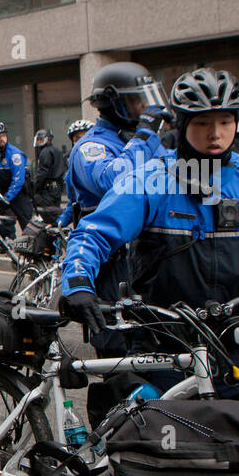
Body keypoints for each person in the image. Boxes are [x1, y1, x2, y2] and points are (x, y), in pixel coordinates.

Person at [60, 68, 239, 403]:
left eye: (224, 122)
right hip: (164, 346)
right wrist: (77, 283)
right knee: (161, 448)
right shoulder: (151, 179)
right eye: (202, 123)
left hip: (237, 345)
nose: (215, 134)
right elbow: (95, 233)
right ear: (182, 124)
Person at [58, 63, 171, 357]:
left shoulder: (146, 141)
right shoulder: (90, 147)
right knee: (116, 350)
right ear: (114, 103)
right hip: (111, 260)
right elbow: (115, 180)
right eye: (137, 100)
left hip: (149, 257)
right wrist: (145, 136)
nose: (145, 107)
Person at [30, 129, 66, 225]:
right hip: (57, 188)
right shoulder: (57, 151)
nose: (39, 142)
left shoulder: (45, 152)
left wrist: (35, 188)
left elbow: (43, 172)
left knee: (48, 215)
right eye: (38, 140)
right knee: (55, 213)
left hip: (48, 189)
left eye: (41, 140)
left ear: (48, 139)